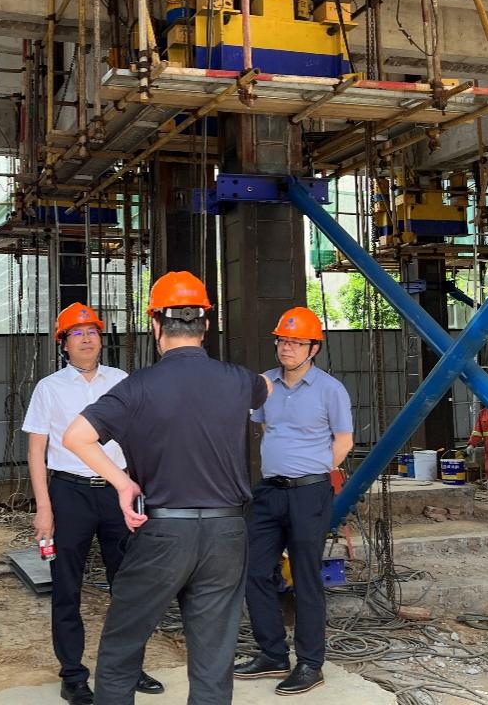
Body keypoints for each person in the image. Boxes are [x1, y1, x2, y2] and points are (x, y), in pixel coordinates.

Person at [63, 271, 272, 705]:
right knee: (213, 659)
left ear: (155, 325)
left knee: (122, 647)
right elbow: (266, 387)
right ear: (205, 325)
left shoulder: (136, 388)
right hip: (226, 534)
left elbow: (76, 437)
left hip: (163, 533)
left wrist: (123, 484)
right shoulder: (238, 381)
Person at [22, 303, 163, 705]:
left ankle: (128, 666)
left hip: (117, 492)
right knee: (67, 586)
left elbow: (141, 438)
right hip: (69, 494)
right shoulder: (49, 388)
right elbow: (36, 452)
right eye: (76, 333)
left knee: (129, 584)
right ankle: (73, 675)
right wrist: (44, 507)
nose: (86, 339)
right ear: (63, 344)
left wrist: (140, 488)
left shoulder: (121, 381)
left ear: (102, 339)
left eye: (92, 332)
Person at [234, 307, 353, 696]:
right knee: (254, 570)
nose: (286, 348)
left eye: (296, 342)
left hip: (309, 493)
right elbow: (266, 426)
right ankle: (272, 654)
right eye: (282, 341)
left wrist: (314, 471)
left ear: (313, 348)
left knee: (305, 577)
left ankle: (310, 663)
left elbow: (344, 441)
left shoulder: (330, 390)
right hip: (269, 492)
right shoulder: (265, 384)